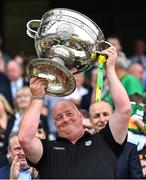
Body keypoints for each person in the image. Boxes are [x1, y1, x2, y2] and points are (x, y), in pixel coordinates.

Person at [18, 46, 131, 178]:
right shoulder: (47, 149)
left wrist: (110, 70)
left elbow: (124, 110)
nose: (65, 119)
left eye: (69, 113)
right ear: (55, 125)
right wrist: (37, 97)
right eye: (59, 117)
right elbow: (24, 138)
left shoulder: (105, 140)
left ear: (81, 116)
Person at [89, 100, 143, 179]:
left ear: (114, 116)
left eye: (106, 114)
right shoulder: (82, 148)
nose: (102, 119)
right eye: (96, 116)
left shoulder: (130, 150)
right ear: (90, 121)